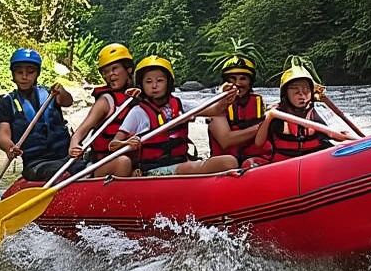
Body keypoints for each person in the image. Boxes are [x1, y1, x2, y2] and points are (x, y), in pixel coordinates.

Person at [110, 56, 238, 175]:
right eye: (148, 82)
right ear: (141, 85)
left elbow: (215, 110)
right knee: (226, 162)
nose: (154, 86)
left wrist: (226, 99)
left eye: (160, 81)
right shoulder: (138, 112)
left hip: (180, 162)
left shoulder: (180, 104)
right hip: (152, 170)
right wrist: (126, 143)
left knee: (228, 162)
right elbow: (113, 145)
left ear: (168, 83)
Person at [0, 47, 73, 181]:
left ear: (37, 74)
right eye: (19, 72)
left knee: (85, 167)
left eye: (30, 72)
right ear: (13, 74)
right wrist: (9, 147)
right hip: (36, 164)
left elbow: (67, 102)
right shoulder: (5, 103)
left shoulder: (51, 94)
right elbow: (3, 135)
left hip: (66, 156)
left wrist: (62, 91)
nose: (24, 77)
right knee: (59, 172)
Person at [67, 42, 141, 179]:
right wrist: (74, 144)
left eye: (114, 69)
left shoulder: (141, 97)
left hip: (136, 160)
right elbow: (81, 131)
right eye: (105, 72)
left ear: (128, 69)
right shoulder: (106, 101)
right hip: (103, 163)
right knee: (123, 163)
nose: (110, 75)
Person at [248, 64, 336, 165]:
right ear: (285, 94)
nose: (301, 94)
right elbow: (258, 143)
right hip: (283, 166)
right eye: (295, 89)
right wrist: (269, 117)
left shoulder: (318, 113)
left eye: (306, 89)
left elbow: (335, 138)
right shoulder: (276, 115)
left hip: (312, 164)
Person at [206, 55, 271, 163]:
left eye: (243, 78)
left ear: (250, 82)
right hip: (227, 165)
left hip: (254, 160)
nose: (238, 83)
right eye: (232, 78)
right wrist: (264, 125)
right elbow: (225, 140)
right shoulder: (217, 107)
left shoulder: (259, 103)